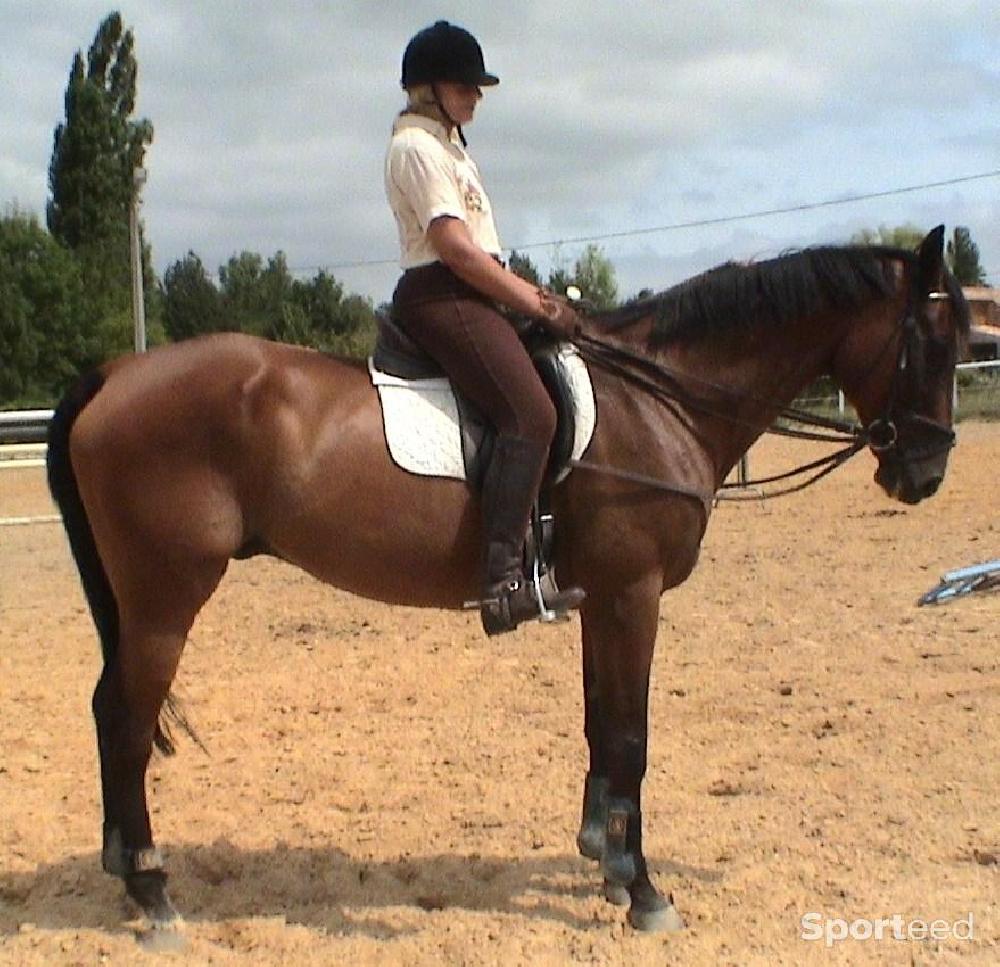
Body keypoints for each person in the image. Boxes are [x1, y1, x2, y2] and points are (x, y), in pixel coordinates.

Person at [385, 20, 585, 636]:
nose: (476, 96)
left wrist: (528, 295)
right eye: (464, 85)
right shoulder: (415, 147)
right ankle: (500, 583)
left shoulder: (450, 147)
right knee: (531, 414)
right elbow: (455, 248)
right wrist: (531, 300)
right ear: (428, 89)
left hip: (472, 290)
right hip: (445, 295)